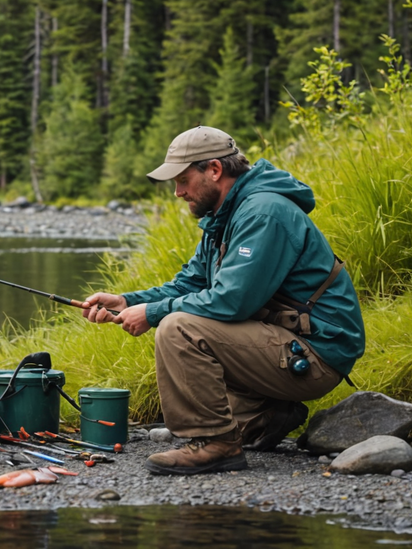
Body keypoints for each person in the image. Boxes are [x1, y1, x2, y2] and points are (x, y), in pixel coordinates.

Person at [83, 126, 364, 476]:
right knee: (184, 326)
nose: (177, 192)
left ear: (214, 170)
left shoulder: (263, 213)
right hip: (284, 345)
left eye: (183, 180)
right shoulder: (225, 215)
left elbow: (232, 302)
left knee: (178, 328)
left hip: (314, 356)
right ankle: (268, 415)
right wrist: (128, 301)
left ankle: (215, 445)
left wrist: (154, 313)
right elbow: (192, 282)